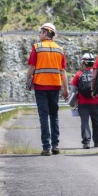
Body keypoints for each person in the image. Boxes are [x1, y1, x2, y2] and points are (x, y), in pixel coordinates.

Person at [25, 22, 69, 156]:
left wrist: (27, 80)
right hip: (55, 86)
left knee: (44, 116)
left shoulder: (37, 48)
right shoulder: (60, 49)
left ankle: (46, 147)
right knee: (54, 115)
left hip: (40, 86)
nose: (39, 35)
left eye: (40, 32)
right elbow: (63, 71)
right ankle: (55, 145)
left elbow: (32, 67)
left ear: (45, 33)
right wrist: (66, 89)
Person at [69, 53, 98, 149]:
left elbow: (73, 90)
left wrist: (72, 103)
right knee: (96, 123)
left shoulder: (79, 74)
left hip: (83, 104)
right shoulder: (97, 73)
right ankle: (96, 141)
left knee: (84, 122)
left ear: (84, 63)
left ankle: (86, 142)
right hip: (96, 102)